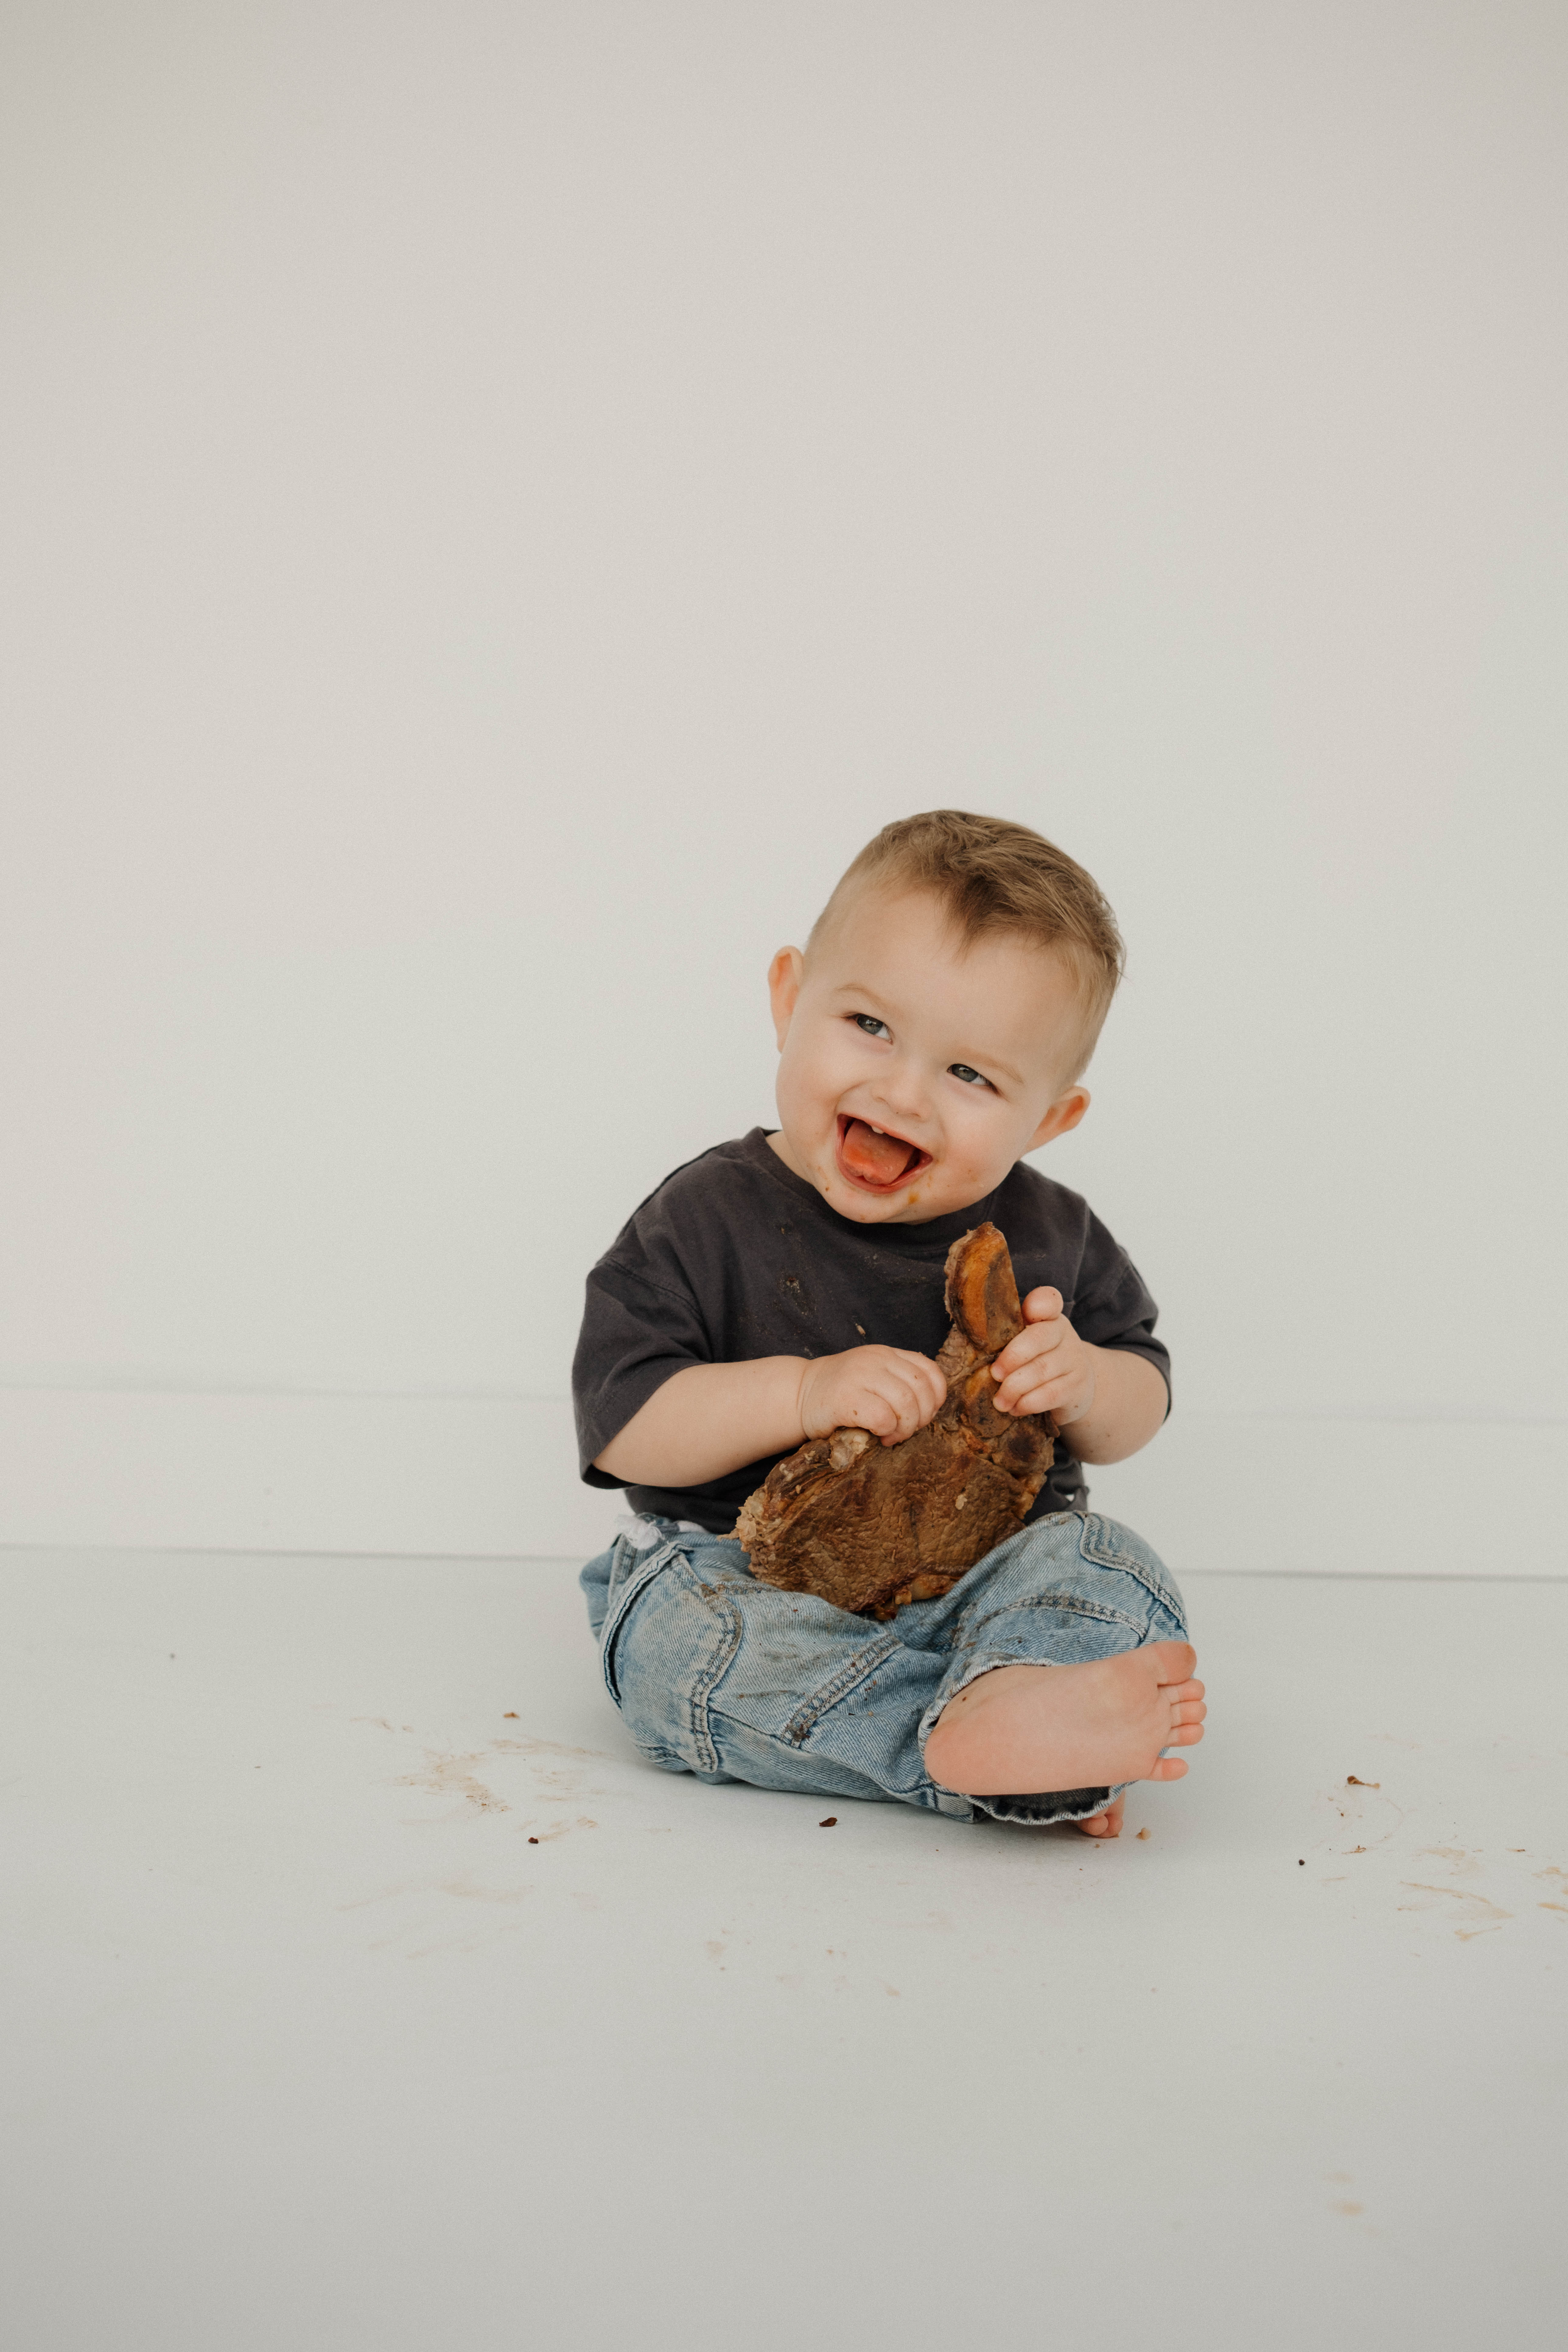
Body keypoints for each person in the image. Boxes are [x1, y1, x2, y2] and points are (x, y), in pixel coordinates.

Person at [572, 810, 1205, 1837]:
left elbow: (1143, 1400)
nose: (902, 1092)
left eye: (972, 1075)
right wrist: (801, 1391)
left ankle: (1011, 1704)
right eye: (869, 1026)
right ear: (789, 998)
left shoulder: (1055, 1236)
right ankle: (993, 1753)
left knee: (1111, 1566)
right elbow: (624, 1421)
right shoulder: (703, 1217)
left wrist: (1088, 1381)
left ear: (1050, 1118)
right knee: (668, 1641)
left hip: (988, 1580)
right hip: (751, 1575)